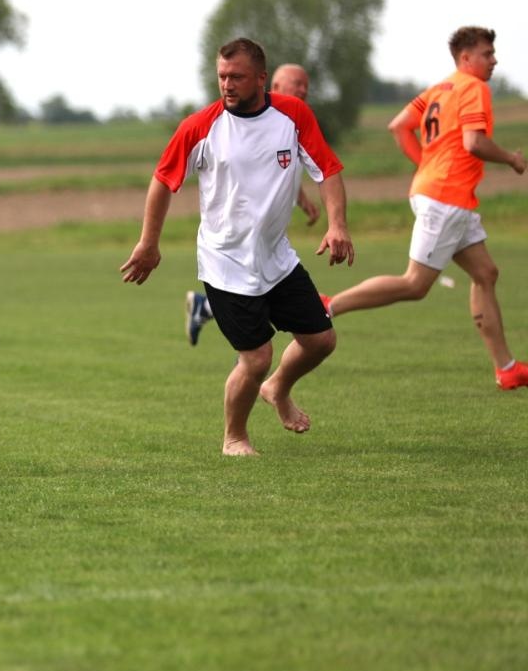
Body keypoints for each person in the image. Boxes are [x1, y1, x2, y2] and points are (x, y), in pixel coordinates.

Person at [122, 38, 354, 456]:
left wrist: (337, 224)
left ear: (262, 79)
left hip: (276, 257)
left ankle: (278, 389)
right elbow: (162, 181)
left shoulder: (293, 115)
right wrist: (148, 243)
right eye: (222, 76)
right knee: (257, 356)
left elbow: (328, 169)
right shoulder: (200, 126)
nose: (227, 84)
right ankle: (235, 438)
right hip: (225, 261)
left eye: (237, 77)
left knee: (321, 340)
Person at [322, 26, 528, 390]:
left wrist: (424, 166)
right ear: (466, 58)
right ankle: (328, 305)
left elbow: (399, 126)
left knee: (486, 273)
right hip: (446, 198)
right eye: (487, 53)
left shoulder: (439, 89)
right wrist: (511, 158)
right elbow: (475, 143)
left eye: (493, 53)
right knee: (415, 284)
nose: (494, 60)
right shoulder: (473, 87)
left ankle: (507, 368)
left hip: (446, 196)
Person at [185, 61, 321, 343]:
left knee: (305, 335)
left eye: (306, 85)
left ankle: (204, 309)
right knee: (255, 346)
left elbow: (281, 170)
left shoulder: (294, 120)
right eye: (297, 84)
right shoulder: (240, 124)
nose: (304, 89)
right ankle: (257, 372)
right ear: (273, 86)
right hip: (231, 246)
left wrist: (302, 198)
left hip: (270, 244)